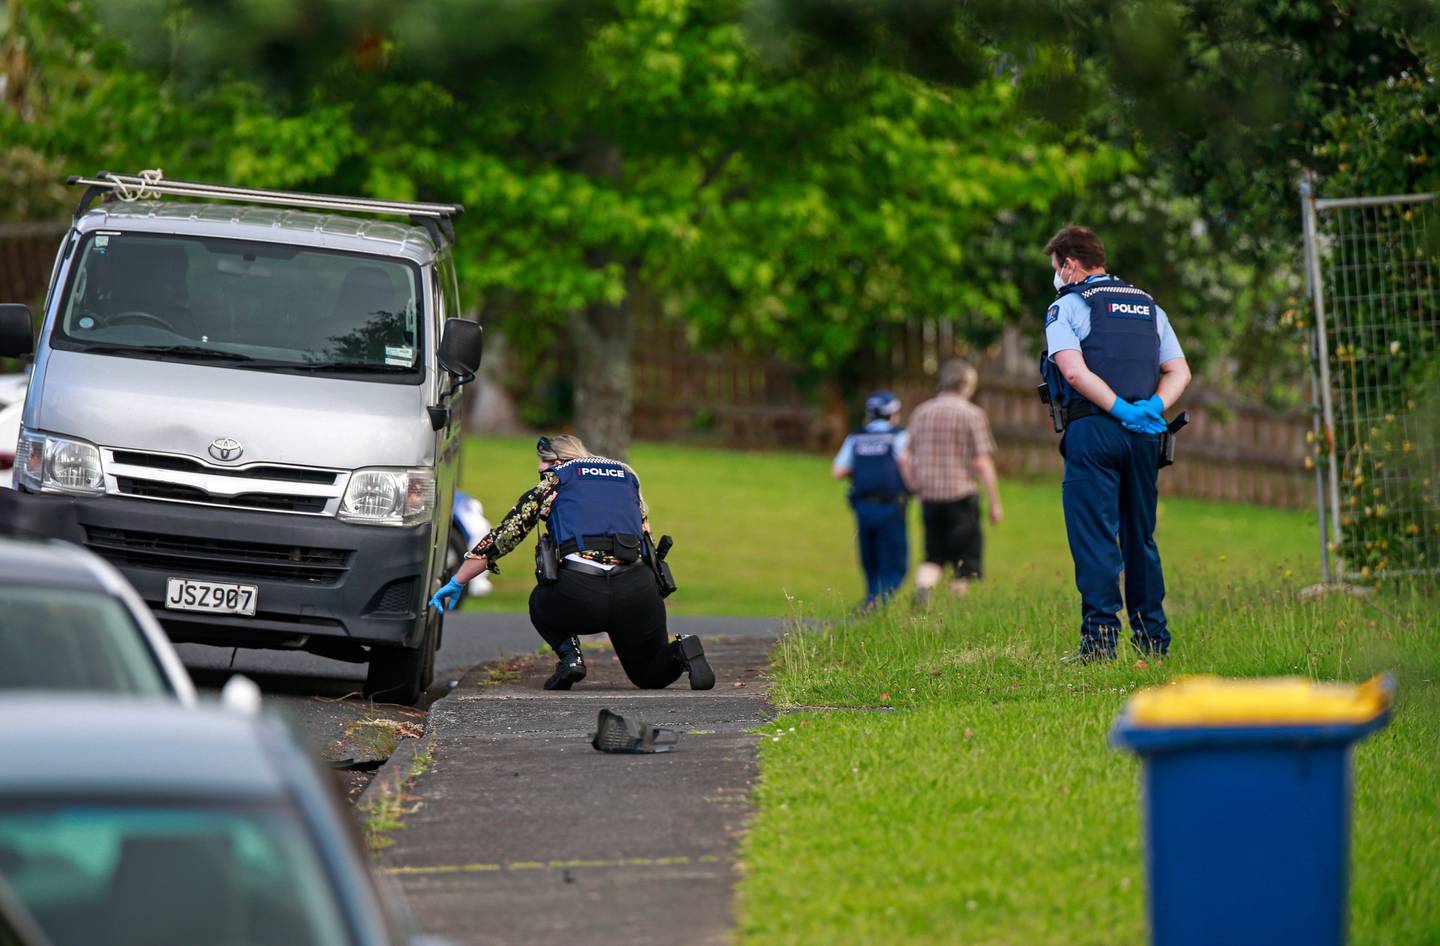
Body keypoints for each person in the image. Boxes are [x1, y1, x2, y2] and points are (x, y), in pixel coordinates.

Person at [428, 434, 714, 691]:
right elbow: (645, 533)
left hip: (579, 593)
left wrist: (457, 582)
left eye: (541, 466)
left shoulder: (555, 480)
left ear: (555, 461)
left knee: (538, 602)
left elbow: (502, 539)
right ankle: (681, 651)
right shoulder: (627, 476)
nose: (541, 473)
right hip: (637, 591)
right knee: (649, 675)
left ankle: (570, 658)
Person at [1039, 225, 1192, 663]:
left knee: (1095, 537)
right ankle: (1153, 641)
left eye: (1057, 267)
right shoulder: (1149, 306)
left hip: (1094, 430)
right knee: (1140, 536)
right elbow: (1179, 370)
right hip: (1146, 435)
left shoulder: (1068, 305)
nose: (1057, 275)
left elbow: (1072, 371)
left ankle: (1100, 642)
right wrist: (1151, 408)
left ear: (1070, 264)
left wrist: (1118, 409)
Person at [907, 359, 1003, 605]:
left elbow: (906, 456)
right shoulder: (972, 414)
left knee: (933, 556)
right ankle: (956, 608)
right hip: (961, 498)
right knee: (965, 562)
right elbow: (981, 462)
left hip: (930, 498)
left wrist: (914, 485)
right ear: (967, 385)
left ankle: (923, 590)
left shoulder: (921, 412)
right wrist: (994, 502)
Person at [832, 390, 912, 607]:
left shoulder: (856, 437)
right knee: (895, 562)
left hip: (863, 506)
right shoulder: (899, 436)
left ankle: (872, 600)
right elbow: (906, 462)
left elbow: (838, 471)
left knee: (871, 559)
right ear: (892, 414)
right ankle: (877, 603)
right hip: (891, 506)